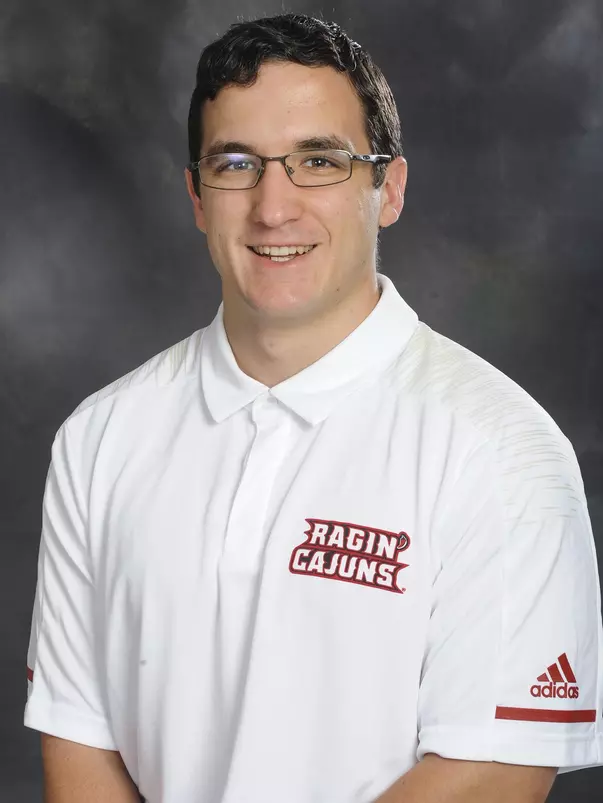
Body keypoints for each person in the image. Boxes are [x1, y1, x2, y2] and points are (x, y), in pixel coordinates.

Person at [24, 12, 603, 803]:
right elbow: (80, 746)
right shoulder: (99, 439)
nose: (274, 207)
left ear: (387, 188)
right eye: (236, 164)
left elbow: (493, 772)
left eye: (319, 161)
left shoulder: (502, 450)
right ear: (197, 196)